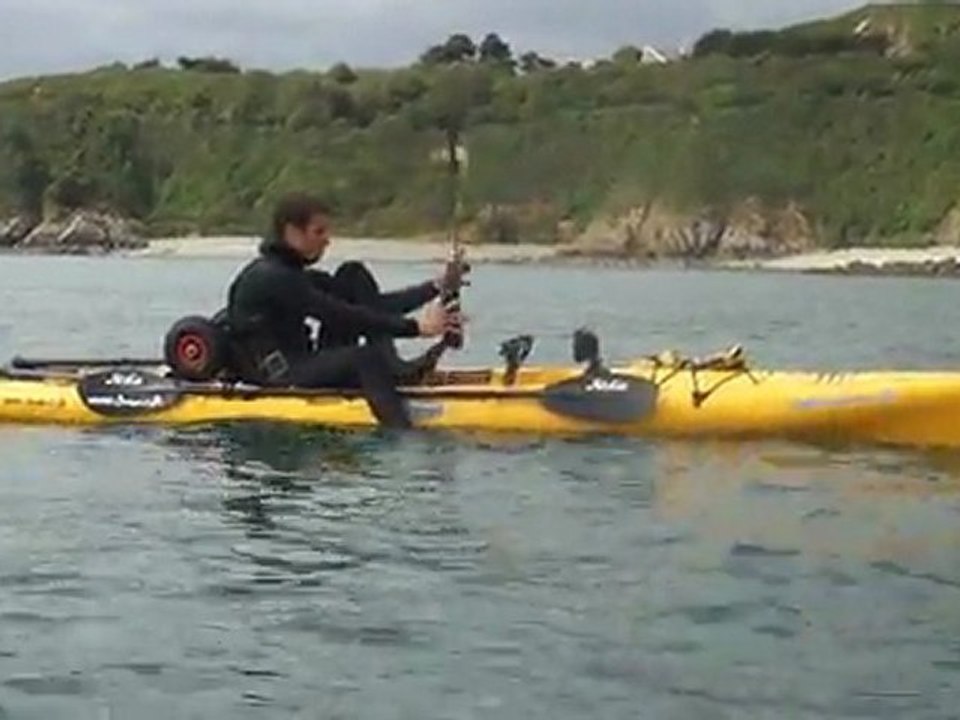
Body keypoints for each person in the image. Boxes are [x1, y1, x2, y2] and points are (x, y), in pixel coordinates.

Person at [224, 192, 467, 429]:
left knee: (352, 275)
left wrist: (436, 287)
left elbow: (373, 306)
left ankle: (395, 370)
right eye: (318, 232)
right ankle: (401, 433)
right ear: (292, 232)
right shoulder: (272, 277)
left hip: (303, 360)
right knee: (364, 358)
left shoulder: (293, 274)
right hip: (279, 373)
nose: (327, 239)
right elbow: (340, 314)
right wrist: (417, 328)